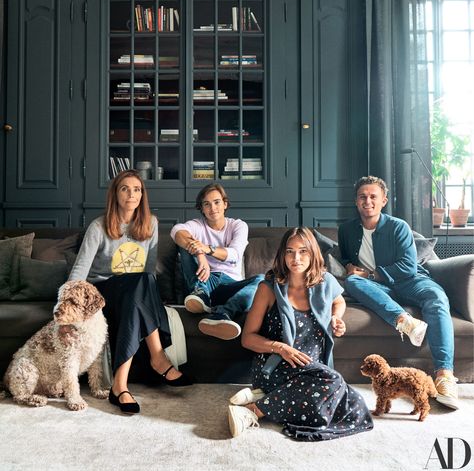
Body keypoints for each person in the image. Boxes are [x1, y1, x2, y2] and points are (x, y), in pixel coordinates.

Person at [228, 227, 373, 440]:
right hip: (276, 366)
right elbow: (247, 338)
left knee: (357, 407)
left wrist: (336, 317)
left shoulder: (325, 282)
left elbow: (339, 301)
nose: (296, 258)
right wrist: (280, 347)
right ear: (282, 255)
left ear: (313, 253)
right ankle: (251, 411)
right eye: (290, 251)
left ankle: (267, 398)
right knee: (333, 382)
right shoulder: (268, 289)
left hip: (312, 369)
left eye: (303, 251)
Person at [67, 169, 193, 415]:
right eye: (125, 188)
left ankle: (120, 384)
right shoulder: (98, 226)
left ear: (142, 195)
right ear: (115, 194)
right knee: (141, 283)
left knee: (143, 282)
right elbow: (79, 271)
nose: (131, 194)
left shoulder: (151, 223)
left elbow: (149, 271)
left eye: (137, 189)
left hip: (136, 291)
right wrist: (68, 307)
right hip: (103, 291)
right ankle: (159, 358)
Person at [338, 175, 458, 410]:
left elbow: (407, 266)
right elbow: (345, 257)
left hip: (410, 281)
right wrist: (348, 267)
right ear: (356, 201)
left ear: (384, 200)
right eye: (363, 197)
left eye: (373, 196)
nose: (368, 201)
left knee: (436, 299)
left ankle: (444, 376)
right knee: (352, 282)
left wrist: (370, 275)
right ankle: (404, 321)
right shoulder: (347, 230)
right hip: (379, 288)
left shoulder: (398, 227)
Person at [170, 183, 262, 340]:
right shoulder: (197, 225)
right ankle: (201, 295)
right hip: (203, 280)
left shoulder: (238, 225)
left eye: (217, 202)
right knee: (184, 244)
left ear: (225, 204)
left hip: (230, 285)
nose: (212, 208)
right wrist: (199, 253)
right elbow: (176, 231)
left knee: (262, 280)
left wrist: (207, 249)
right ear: (202, 208)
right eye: (207, 204)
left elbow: (235, 255)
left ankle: (223, 314)